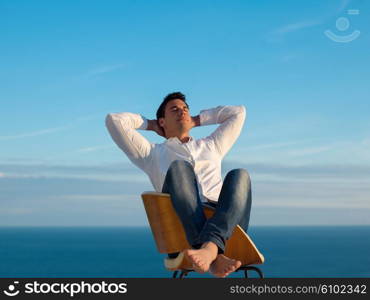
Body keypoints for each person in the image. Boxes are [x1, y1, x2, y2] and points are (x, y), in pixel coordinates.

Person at [105, 92, 252, 278]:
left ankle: (210, 250)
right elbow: (114, 120)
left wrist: (198, 120)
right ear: (162, 121)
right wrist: (151, 125)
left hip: (226, 220)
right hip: (181, 229)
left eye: (185, 109)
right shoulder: (152, 154)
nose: (181, 112)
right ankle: (213, 250)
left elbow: (238, 113)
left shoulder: (211, 145)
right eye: (174, 110)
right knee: (179, 168)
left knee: (240, 175)